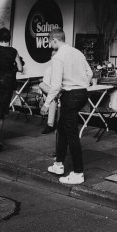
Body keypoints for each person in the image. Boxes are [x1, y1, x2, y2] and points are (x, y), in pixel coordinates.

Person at [42, 27, 92, 185]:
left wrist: (46, 103)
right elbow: (89, 73)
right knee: (63, 128)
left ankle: (78, 173)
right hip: (82, 93)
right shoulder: (77, 52)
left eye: (50, 42)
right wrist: (80, 82)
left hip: (70, 96)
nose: (50, 45)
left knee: (71, 134)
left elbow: (55, 85)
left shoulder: (58, 57)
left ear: (55, 40)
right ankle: (58, 164)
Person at [0, 28, 23, 152]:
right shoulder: (13, 51)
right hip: (8, 84)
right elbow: (20, 68)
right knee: (1, 112)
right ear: (9, 38)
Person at [39, 50, 57, 134]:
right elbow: (45, 85)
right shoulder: (49, 69)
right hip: (51, 92)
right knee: (41, 84)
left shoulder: (64, 69)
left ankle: (50, 125)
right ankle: (50, 125)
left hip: (60, 92)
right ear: (51, 58)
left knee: (52, 100)